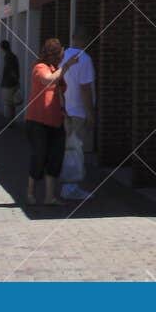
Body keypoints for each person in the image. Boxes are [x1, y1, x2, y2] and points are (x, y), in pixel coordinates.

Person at [24, 39, 81, 206]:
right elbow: (48, 80)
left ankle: (50, 197)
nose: (63, 54)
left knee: (55, 158)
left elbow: (59, 94)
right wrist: (68, 65)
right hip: (37, 122)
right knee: (39, 156)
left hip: (56, 121)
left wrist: (65, 113)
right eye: (61, 51)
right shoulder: (40, 67)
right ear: (55, 53)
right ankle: (30, 192)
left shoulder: (57, 70)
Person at [60, 28, 97, 201]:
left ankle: (65, 184)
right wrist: (90, 113)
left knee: (67, 149)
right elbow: (85, 88)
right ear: (86, 40)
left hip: (64, 110)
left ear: (73, 38)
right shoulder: (84, 59)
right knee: (75, 150)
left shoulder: (62, 57)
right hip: (78, 112)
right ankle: (70, 187)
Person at [0, 39, 22, 121]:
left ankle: (8, 122)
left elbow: (10, 70)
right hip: (13, 82)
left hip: (8, 83)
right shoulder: (13, 56)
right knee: (12, 104)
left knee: (8, 104)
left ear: (2, 48)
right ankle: (12, 121)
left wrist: (14, 80)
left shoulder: (8, 57)